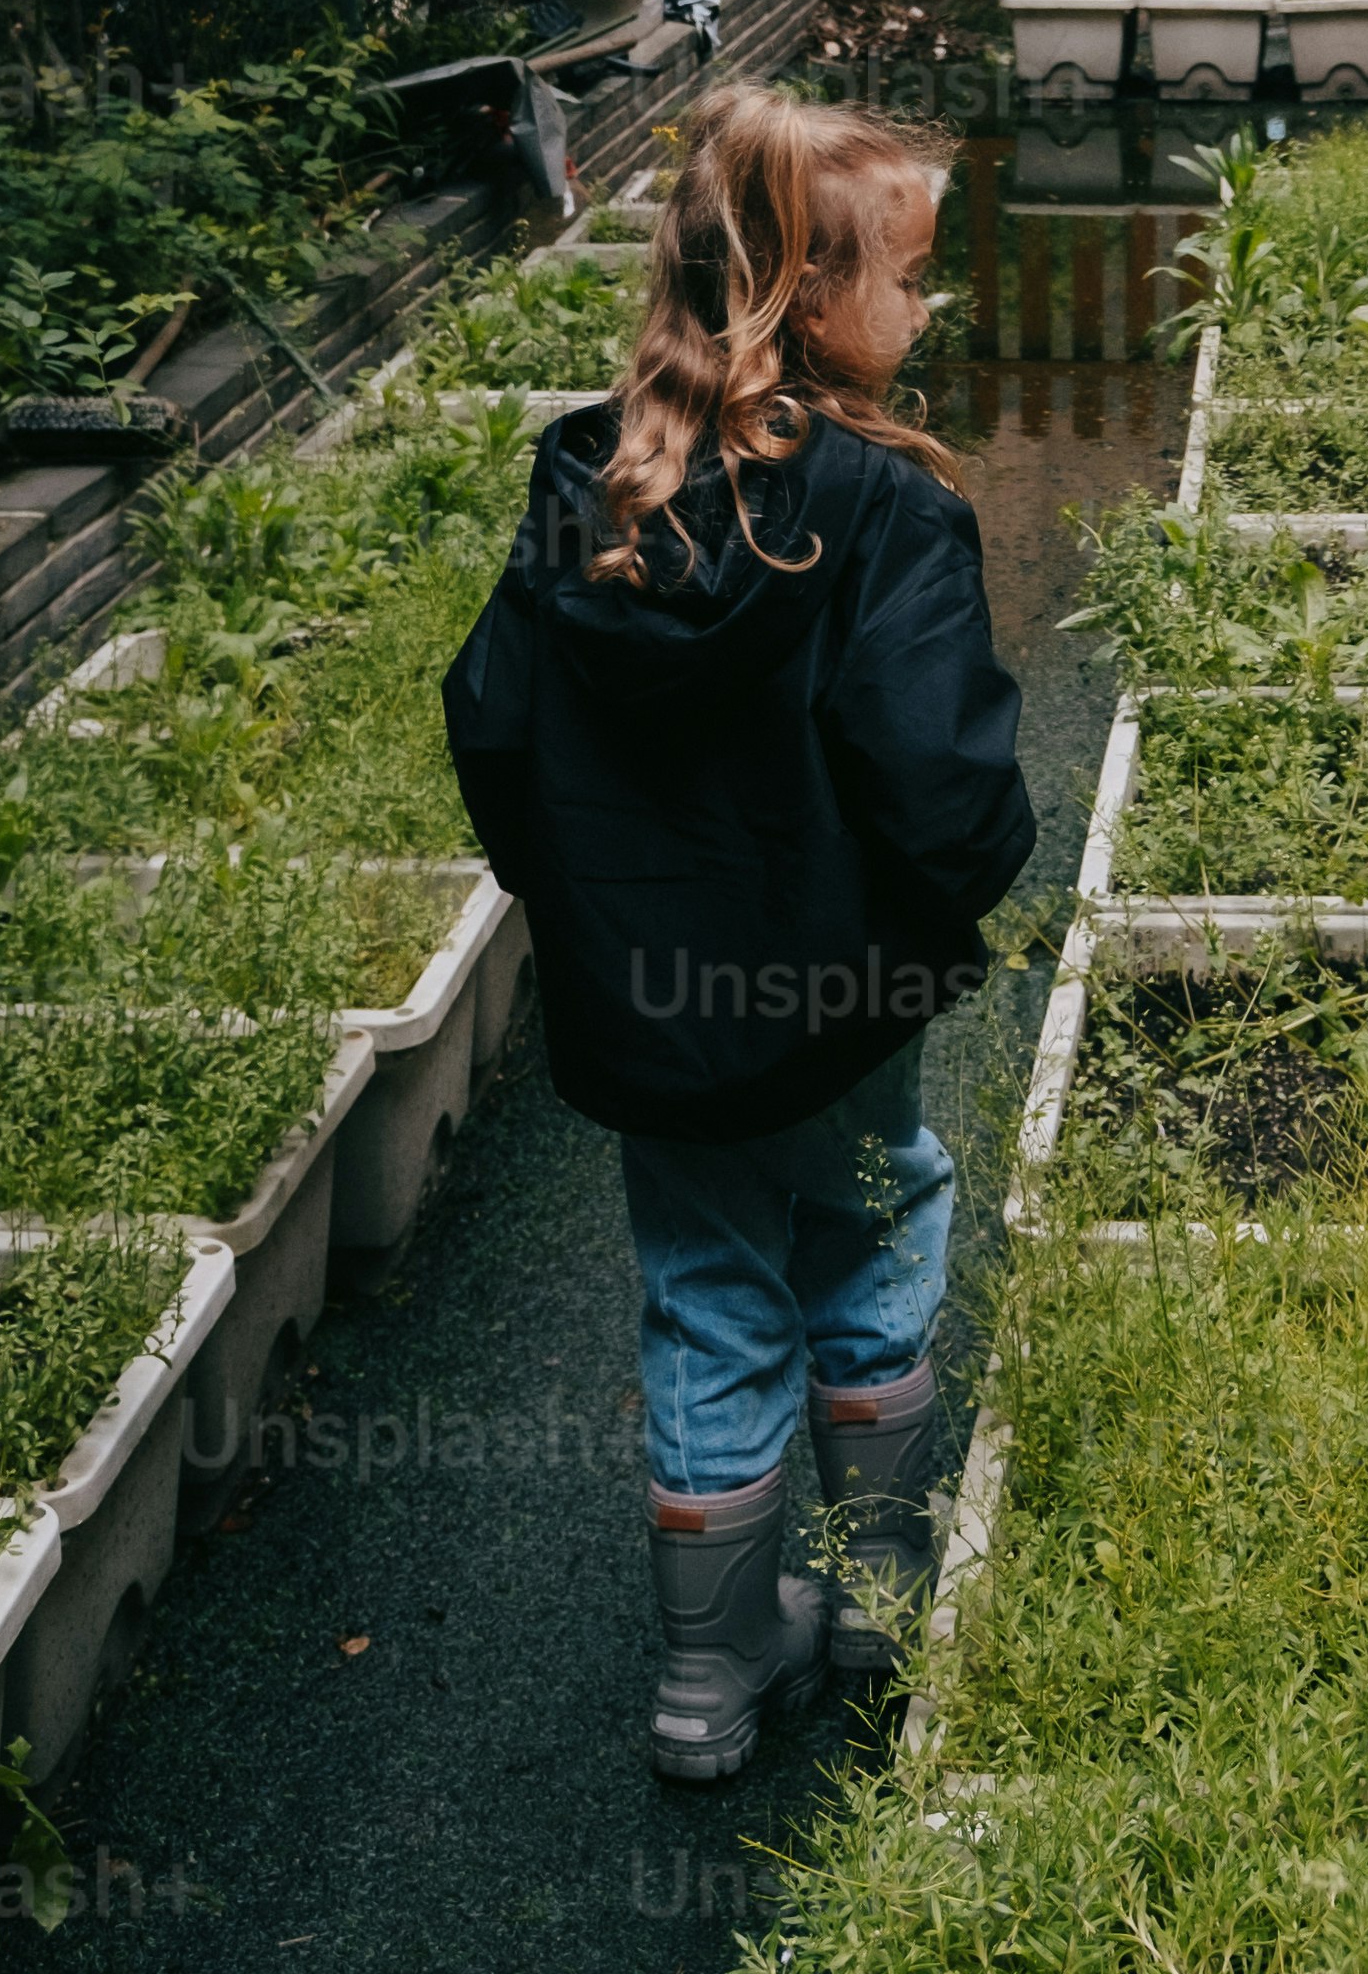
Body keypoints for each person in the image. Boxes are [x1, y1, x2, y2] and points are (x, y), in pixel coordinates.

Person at [440, 92, 1033, 1786]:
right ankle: (874, 1592)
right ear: (807, 299)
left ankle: (705, 1680)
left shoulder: (589, 487)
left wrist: (586, 915)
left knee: (705, 1289)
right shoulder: (878, 511)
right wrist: (948, 897)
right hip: (840, 1003)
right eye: (908, 281)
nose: (925, 311)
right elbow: (939, 783)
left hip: (655, 1014)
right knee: (871, 1222)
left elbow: (492, 721)